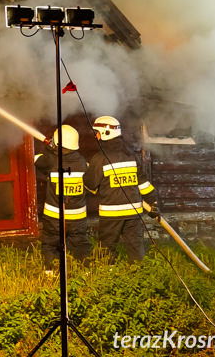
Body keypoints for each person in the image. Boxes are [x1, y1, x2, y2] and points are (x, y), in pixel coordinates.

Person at [85, 115, 157, 262]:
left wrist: (88, 171)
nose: (96, 136)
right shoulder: (131, 155)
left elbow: (91, 185)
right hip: (134, 212)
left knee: (106, 246)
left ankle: (108, 273)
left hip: (112, 213)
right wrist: (153, 202)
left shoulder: (99, 158)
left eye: (97, 132)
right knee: (135, 246)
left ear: (105, 133)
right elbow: (142, 182)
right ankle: (138, 273)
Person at [34, 124, 91, 272]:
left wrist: (49, 148)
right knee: (80, 244)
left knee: (51, 243)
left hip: (55, 216)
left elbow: (37, 159)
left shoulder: (51, 161)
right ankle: (85, 271)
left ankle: (50, 272)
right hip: (78, 217)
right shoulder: (82, 162)